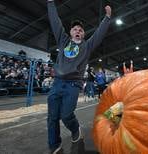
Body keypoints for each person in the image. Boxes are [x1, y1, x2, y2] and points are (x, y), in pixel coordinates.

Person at [47, 0, 111, 153]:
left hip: (73, 85)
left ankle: (75, 129)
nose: (77, 31)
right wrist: (50, 3)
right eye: (75, 29)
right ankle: (54, 145)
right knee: (52, 117)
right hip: (57, 83)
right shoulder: (63, 41)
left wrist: (107, 18)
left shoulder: (87, 46)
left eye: (81, 30)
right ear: (70, 33)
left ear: (83, 34)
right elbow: (55, 22)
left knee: (66, 115)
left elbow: (98, 34)